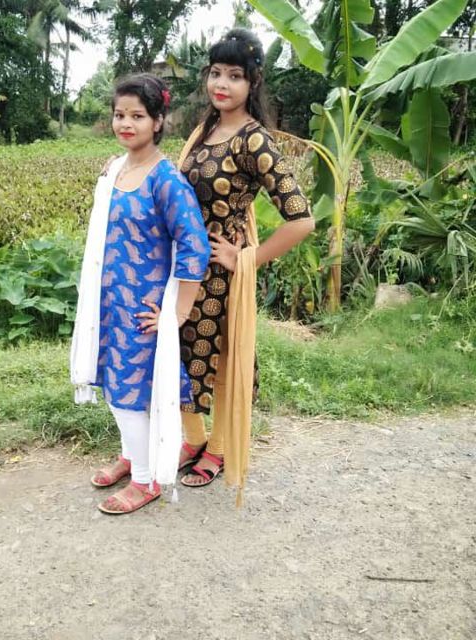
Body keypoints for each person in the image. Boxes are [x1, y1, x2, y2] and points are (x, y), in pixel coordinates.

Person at [176, 29, 315, 501]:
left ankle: (217, 447)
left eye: (234, 76)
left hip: (219, 274)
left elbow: (302, 219)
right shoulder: (204, 129)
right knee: (179, 352)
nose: (222, 84)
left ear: (253, 82)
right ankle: (192, 439)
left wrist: (245, 257)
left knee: (219, 358)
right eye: (216, 72)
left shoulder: (254, 140)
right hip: (185, 266)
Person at [70, 73, 211, 515]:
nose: (126, 124)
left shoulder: (166, 180)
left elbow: (195, 246)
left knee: (130, 393)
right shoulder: (116, 170)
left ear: (158, 121)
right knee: (113, 383)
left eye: (137, 116)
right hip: (109, 303)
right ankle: (132, 456)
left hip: (143, 310)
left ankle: (146, 481)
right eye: (119, 115)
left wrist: (178, 314)